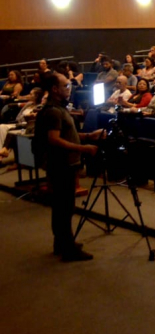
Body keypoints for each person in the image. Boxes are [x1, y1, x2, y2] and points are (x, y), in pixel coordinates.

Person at [34, 73, 101, 261]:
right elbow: (54, 140)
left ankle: (62, 243)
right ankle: (67, 248)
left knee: (64, 206)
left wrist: (88, 136)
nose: (69, 88)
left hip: (64, 164)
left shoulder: (58, 109)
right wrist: (84, 148)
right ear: (55, 89)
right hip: (61, 165)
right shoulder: (53, 111)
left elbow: (67, 134)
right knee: (63, 208)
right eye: (65, 85)